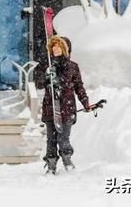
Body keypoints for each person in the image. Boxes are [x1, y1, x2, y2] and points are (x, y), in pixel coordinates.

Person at [35, 35, 90, 174]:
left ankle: (67, 160)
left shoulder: (72, 67)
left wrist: (85, 102)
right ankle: (51, 165)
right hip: (50, 107)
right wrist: (46, 76)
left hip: (67, 107)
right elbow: (39, 84)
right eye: (53, 46)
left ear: (65, 49)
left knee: (63, 137)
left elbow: (79, 87)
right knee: (51, 139)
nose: (56, 49)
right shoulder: (45, 65)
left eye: (59, 46)